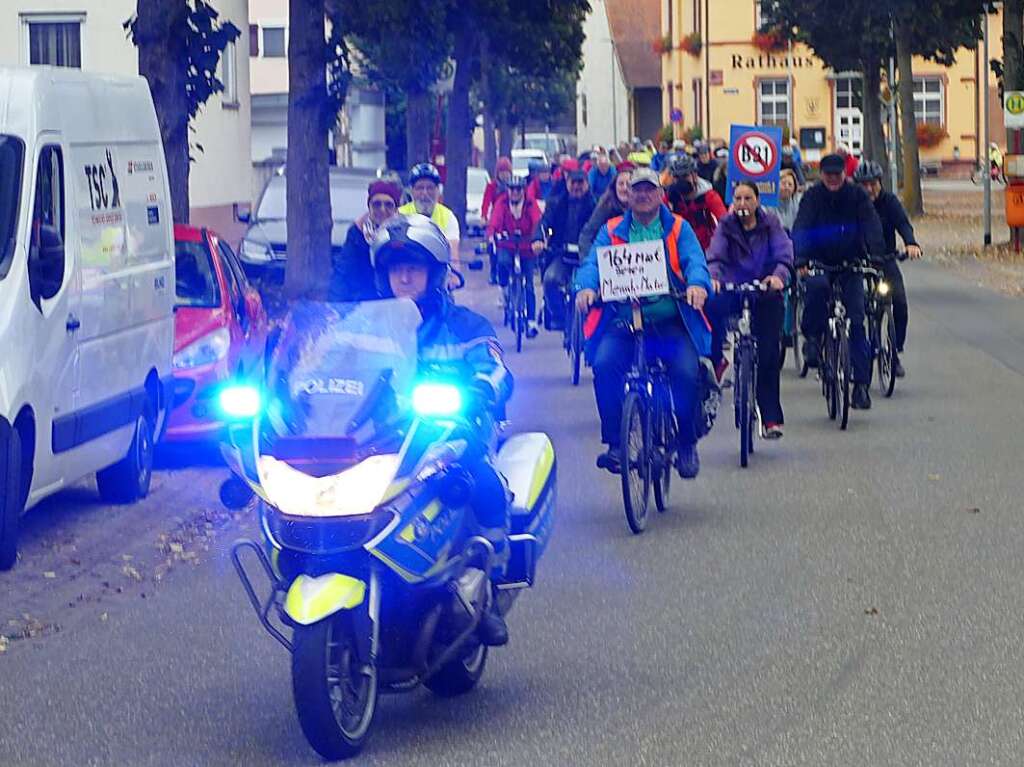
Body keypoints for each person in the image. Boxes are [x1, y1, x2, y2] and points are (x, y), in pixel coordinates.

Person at [371, 214, 513, 646]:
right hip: (384, 441)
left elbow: (497, 370)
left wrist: (483, 387)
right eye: (396, 268)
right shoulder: (369, 327)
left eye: (414, 267)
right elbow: (330, 369)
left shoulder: (466, 326)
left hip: (453, 434)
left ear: (435, 273)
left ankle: (488, 588)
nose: (405, 276)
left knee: (482, 483)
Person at [574, 168, 712, 478]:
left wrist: (697, 284)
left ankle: (686, 441)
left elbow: (695, 261)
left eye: (650, 189)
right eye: (637, 189)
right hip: (624, 322)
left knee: (687, 374)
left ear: (661, 195)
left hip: (668, 322)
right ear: (628, 195)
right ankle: (616, 444)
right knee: (605, 365)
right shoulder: (610, 230)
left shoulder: (678, 228)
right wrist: (585, 287)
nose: (643, 194)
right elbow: (591, 264)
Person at [792, 153, 885, 410]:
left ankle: (861, 386)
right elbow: (801, 227)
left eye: (838, 175)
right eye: (828, 175)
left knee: (856, 322)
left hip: (850, 262)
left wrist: (876, 255)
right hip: (819, 261)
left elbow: (871, 224)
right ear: (821, 175)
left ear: (845, 174)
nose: (833, 179)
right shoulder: (812, 197)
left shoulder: (857, 196)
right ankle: (812, 339)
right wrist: (800, 258)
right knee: (816, 288)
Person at [705, 181, 793, 439]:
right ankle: (717, 360)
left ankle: (771, 419)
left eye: (748, 198)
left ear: (757, 201)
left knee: (768, 355)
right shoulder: (726, 225)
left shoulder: (771, 224)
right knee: (712, 307)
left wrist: (777, 277)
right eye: (738, 199)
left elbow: (784, 254)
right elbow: (716, 256)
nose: (743, 204)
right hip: (734, 287)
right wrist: (714, 278)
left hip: (764, 291)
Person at [852, 160, 922, 378]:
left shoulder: (889, 201)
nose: (869, 189)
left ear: (880, 183)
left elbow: (902, 223)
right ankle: (854, 354)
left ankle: (894, 350)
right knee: (856, 307)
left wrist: (911, 243)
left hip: (885, 259)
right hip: (857, 261)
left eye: (873, 184)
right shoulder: (852, 203)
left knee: (899, 301)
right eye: (864, 185)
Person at [532, 169, 595, 330]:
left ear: (587, 184)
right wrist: (538, 238)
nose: (577, 187)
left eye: (580, 183)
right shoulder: (556, 203)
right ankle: (559, 316)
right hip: (561, 254)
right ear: (567, 184)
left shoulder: (596, 205)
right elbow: (543, 223)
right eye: (573, 183)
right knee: (550, 280)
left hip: (587, 257)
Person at [487, 176, 543, 336]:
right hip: (507, 244)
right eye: (512, 189)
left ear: (523, 190)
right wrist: (492, 235)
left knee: (529, 283)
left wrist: (538, 239)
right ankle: (504, 289)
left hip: (526, 246)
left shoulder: (531, 204)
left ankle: (531, 321)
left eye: (519, 190)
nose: (515, 193)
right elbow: (495, 222)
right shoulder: (502, 203)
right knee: (503, 262)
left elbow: (537, 222)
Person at [329, 180, 401, 302]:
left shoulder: (403, 234)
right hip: (362, 304)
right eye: (377, 204)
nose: (382, 210)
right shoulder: (357, 234)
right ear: (369, 207)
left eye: (388, 205)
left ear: (396, 209)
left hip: (394, 304)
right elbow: (343, 273)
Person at [398, 163, 462, 270]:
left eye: (430, 188)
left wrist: (454, 273)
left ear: (438, 190)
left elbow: (453, 252)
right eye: (419, 188)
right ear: (412, 191)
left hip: (437, 272)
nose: (425, 193)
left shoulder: (448, 216)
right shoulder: (400, 215)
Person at [666, 153, 728, 251]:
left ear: (695, 175)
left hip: (705, 247)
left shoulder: (709, 195)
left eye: (685, 175)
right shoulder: (670, 196)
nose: (681, 180)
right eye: (677, 177)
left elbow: (724, 221)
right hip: (678, 245)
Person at [579, 162, 634, 258]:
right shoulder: (605, 206)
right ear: (614, 187)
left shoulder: (644, 209)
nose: (625, 188)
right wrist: (589, 262)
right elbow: (587, 235)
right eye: (621, 184)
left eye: (629, 184)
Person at [770, 168, 803, 233]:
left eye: (790, 184)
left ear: (794, 188)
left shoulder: (798, 202)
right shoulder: (767, 203)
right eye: (783, 183)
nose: (787, 187)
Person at [481, 156, 513, 222]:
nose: (504, 175)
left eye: (506, 173)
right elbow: (486, 202)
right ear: (497, 174)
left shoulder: (514, 186)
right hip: (497, 216)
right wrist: (484, 216)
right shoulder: (492, 186)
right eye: (502, 173)